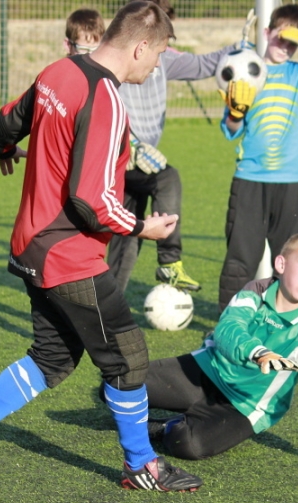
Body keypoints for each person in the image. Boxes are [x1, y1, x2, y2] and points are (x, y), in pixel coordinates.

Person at [0, 1, 203, 495]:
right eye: (158, 56)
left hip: (31, 244)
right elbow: (92, 201)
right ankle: (142, 465)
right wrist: (144, 227)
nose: (157, 66)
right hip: (67, 254)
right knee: (129, 358)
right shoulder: (107, 99)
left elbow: (9, 118)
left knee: (53, 359)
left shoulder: (59, 70)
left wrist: (3, 148)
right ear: (139, 46)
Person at [141, 233, 298, 460]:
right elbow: (228, 329)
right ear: (281, 265)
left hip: (246, 405)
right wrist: (259, 352)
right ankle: (188, 414)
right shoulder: (255, 292)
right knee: (122, 384)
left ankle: (167, 425)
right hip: (209, 369)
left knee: (186, 443)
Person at [106, 0, 253, 294]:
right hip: (120, 157)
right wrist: (130, 142)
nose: (162, 53)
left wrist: (242, 46)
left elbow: (204, 65)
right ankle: (169, 261)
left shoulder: (165, 59)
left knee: (128, 235)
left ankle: (108, 305)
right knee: (167, 177)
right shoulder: (116, 58)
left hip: (144, 159)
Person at [216, 4, 298, 313]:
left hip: (291, 182)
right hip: (250, 180)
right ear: (266, 33)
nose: (285, 47)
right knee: (240, 257)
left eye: (292, 42)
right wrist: (236, 112)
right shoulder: (247, 71)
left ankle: (279, 321)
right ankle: (228, 323)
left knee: (288, 261)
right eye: (279, 38)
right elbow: (230, 130)